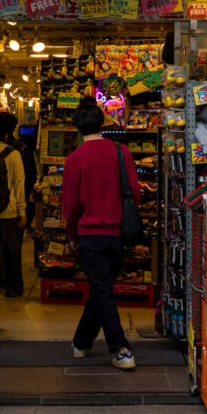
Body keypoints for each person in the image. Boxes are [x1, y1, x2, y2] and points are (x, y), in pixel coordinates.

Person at [62, 97, 141, 369]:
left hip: (90, 234)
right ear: (101, 123)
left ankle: (121, 349)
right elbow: (135, 192)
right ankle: (81, 343)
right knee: (102, 289)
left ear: (77, 127)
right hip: (118, 233)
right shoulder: (121, 152)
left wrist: (72, 235)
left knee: (102, 290)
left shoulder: (74, 159)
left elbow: (71, 205)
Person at [0, 111, 27, 297]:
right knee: (12, 251)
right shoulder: (14, 154)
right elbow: (19, 185)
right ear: (9, 132)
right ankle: (14, 286)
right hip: (10, 210)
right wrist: (22, 212)